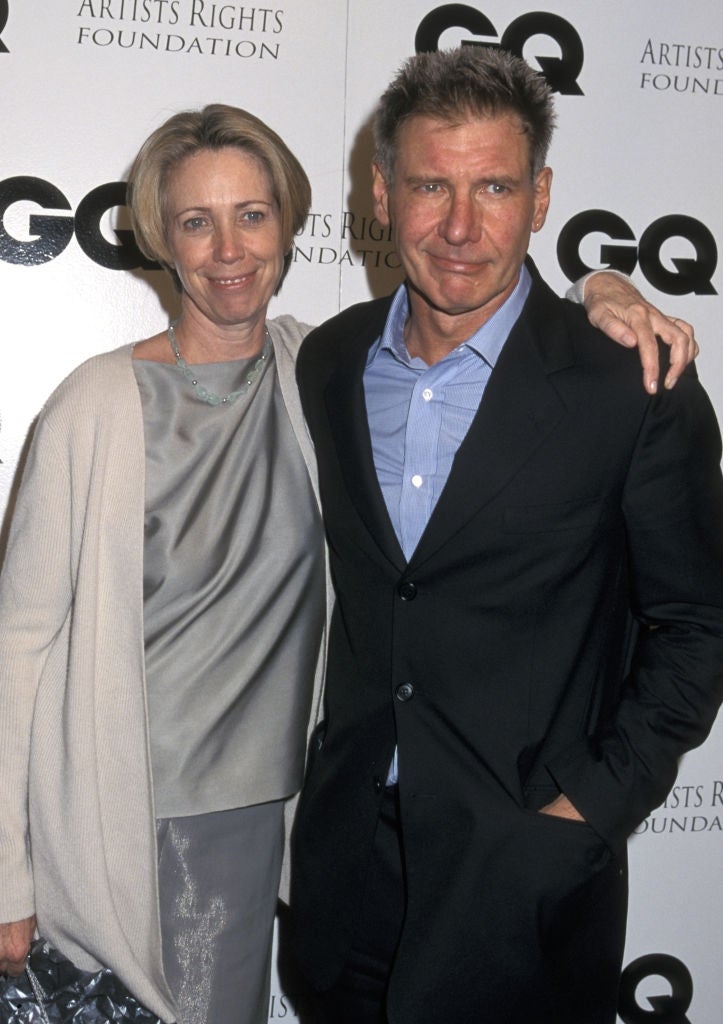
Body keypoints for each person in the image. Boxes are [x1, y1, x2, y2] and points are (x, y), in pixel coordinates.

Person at [0, 101, 702, 1023]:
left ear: (289, 223)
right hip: (137, 825)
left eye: (252, 214)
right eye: (196, 221)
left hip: (332, 839)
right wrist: (6, 871)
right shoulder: (119, 401)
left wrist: (597, 285)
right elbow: (18, 644)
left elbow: (692, 623)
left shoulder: (311, 364)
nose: (229, 249)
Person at [290, 48, 723, 1024]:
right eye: (429, 186)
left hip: (521, 885)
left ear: (541, 198)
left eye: (493, 187)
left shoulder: (632, 386)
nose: (459, 227)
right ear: (380, 193)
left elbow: (698, 628)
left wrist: (584, 810)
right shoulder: (331, 360)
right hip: (344, 879)